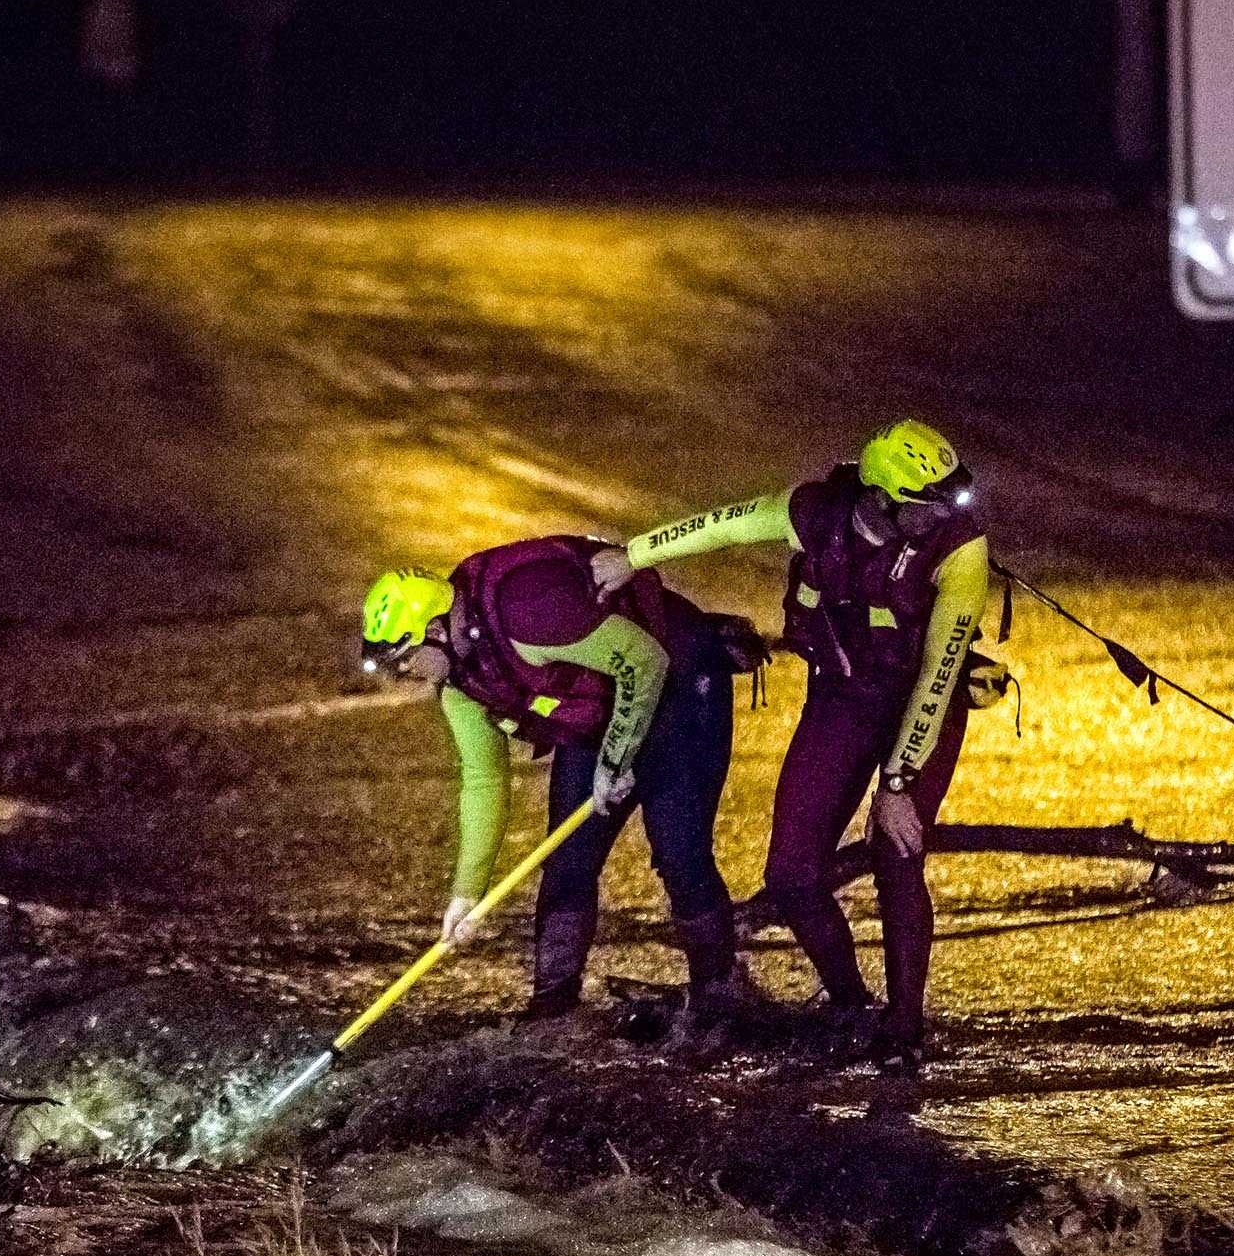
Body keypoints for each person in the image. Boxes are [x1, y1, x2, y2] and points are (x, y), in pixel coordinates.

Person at [593, 420, 1003, 1061]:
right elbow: (721, 525)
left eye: (949, 503)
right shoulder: (813, 513)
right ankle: (850, 1009)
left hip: (923, 707)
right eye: (925, 506)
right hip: (840, 700)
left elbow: (938, 672)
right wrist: (633, 556)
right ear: (880, 498)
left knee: (896, 854)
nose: (941, 518)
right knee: (790, 876)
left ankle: (903, 1031)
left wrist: (897, 784)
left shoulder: (961, 551)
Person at [359, 535, 763, 1021]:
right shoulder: (459, 686)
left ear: (438, 630)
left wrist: (615, 762)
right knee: (568, 859)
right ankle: (552, 1004)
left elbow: (644, 661)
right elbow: (484, 781)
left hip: (677, 678)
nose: (406, 676)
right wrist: (467, 893)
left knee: (679, 850)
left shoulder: (528, 611)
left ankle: (718, 994)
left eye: (404, 662)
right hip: (602, 707)